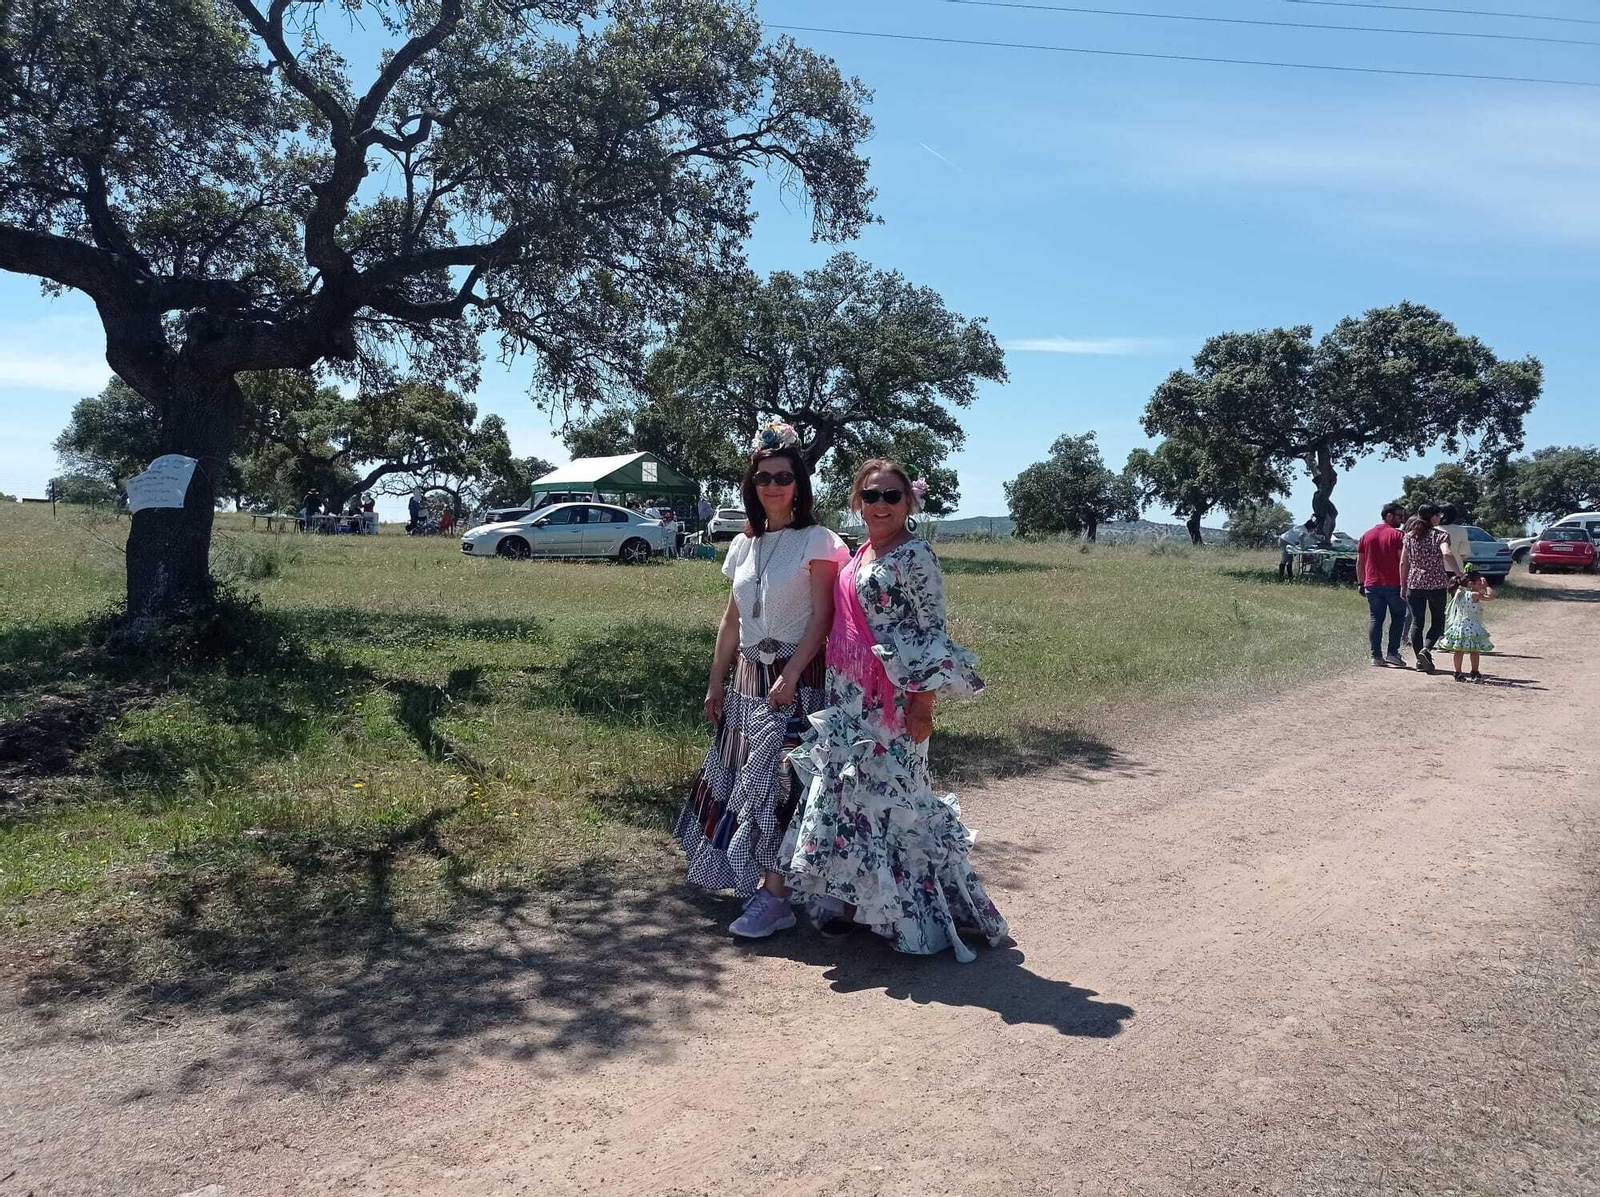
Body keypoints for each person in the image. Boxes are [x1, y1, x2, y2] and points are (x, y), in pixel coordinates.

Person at [784, 460, 1009, 963]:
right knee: (852, 797)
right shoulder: (860, 553)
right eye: (871, 495)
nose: (880, 505)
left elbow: (933, 634)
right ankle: (857, 904)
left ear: (909, 502)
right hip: (849, 695)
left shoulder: (916, 555)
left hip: (895, 702)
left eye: (891, 495)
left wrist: (923, 705)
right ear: (857, 502)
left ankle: (911, 915)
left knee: (897, 800)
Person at [674, 421, 847, 937]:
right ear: (752, 484)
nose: (773, 485)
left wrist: (790, 674)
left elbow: (822, 619)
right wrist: (715, 681)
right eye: (764, 477)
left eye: (783, 477)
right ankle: (757, 882)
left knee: (781, 783)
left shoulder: (818, 541)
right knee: (746, 780)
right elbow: (732, 620)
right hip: (748, 680)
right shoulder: (743, 545)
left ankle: (776, 897)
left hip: (797, 680)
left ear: (799, 484)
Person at [1400, 504, 1462, 673]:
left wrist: (1403, 584)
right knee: (1438, 621)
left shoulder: (1409, 536)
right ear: (1433, 517)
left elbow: (1403, 562)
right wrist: (1459, 574)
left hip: (1414, 583)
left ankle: (1420, 661)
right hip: (1436, 583)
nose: (1440, 518)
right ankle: (1426, 650)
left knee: (1417, 622)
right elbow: (1446, 553)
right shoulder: (1440, 536)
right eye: (1438, 515)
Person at [1356, 502, 1408, 667]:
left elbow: (1360, 562)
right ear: (1389, 515)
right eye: (1399, 516)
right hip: (1394, 584)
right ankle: (1392, 652)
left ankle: (1376, 656)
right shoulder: (1398, 535)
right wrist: (1406, 582)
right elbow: (1403, 561)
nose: (1402, 520)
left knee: (1376, 618)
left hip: (1372, 584)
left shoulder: (1366, 535)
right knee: (1398, 617)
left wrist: (1361, 582)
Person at [1437, 567, 1495, 682]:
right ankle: (1474, 671)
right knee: (1474, 651)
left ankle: (1458, 672)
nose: (1481, 583)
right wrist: (1487, 586)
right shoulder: (1474, 595)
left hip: (1460, 626)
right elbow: (1491, 597)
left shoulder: (1459, 593)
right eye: (1479, 582)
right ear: (1471, 584)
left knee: (1459, 650)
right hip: (1472, 627)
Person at [1439, 504, 1471, 582]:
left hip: (1435, 570)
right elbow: (1464, 554)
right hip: (1455, 570)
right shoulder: (1461, 531)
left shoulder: (1432, 530)